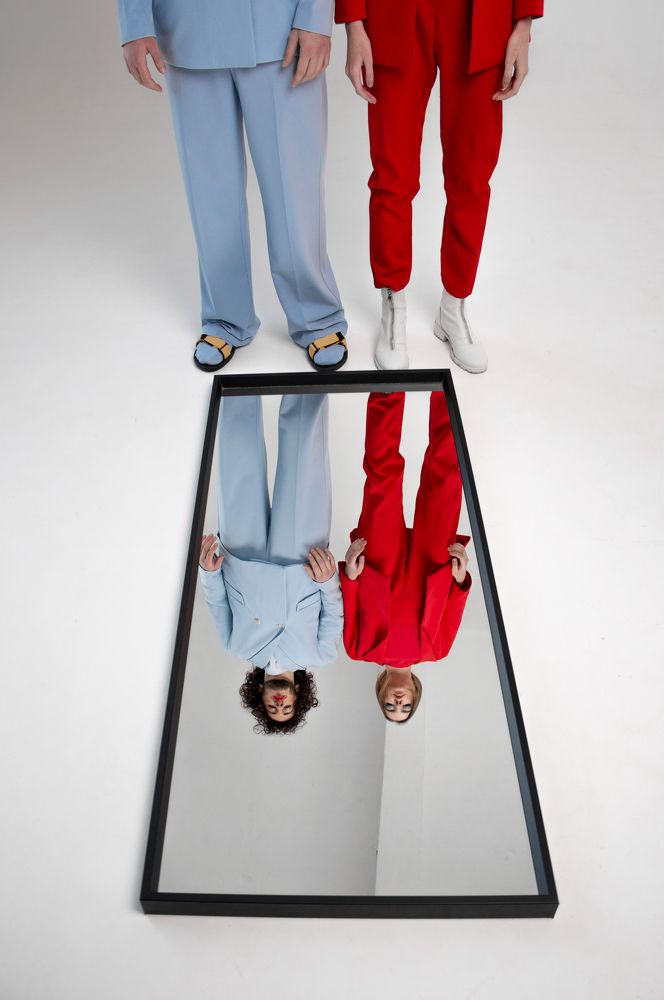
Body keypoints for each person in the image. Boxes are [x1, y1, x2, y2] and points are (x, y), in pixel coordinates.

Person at [117, 0, 348, 372]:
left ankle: (316, 315)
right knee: (210, 193)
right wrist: (134, 22)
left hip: (281, 27)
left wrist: (315, 17)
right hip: (188, 29)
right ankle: (224, 317)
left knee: (295, 189)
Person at [335, 0, 544, 373]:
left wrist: (524, 22)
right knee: (392, 176)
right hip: (395, 12)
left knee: (472, 176)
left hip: (480, 14)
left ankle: (453, 307)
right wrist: (354, 23)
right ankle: (393, 306)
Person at [198, 393, 343, 733]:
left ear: (259, 696)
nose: (280, 703)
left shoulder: (236, 646)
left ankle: (237, 386)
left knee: (237, 461)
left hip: (240, 558)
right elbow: (334, 613)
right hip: (303, 563)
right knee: (305, 457)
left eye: (273, 708)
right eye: (287, 708)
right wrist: (327, 581)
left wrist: (208, 573)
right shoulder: (320, 654)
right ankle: (308, 383)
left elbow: (217, 603)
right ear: (298, 696)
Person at [339, 391, 472, 722]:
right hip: (434, 567)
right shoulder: (437, 651)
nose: (398, 702)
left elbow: (350, 605)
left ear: (381, 695)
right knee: (446, 480)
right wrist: (459, 578)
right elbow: (454, 607)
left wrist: (352, 575)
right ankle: (447, 395)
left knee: (382, 479)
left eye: (390, 706)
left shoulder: (358, 651)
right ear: (415, 694)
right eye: (406, 707)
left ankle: (388, 389)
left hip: (378, 568)